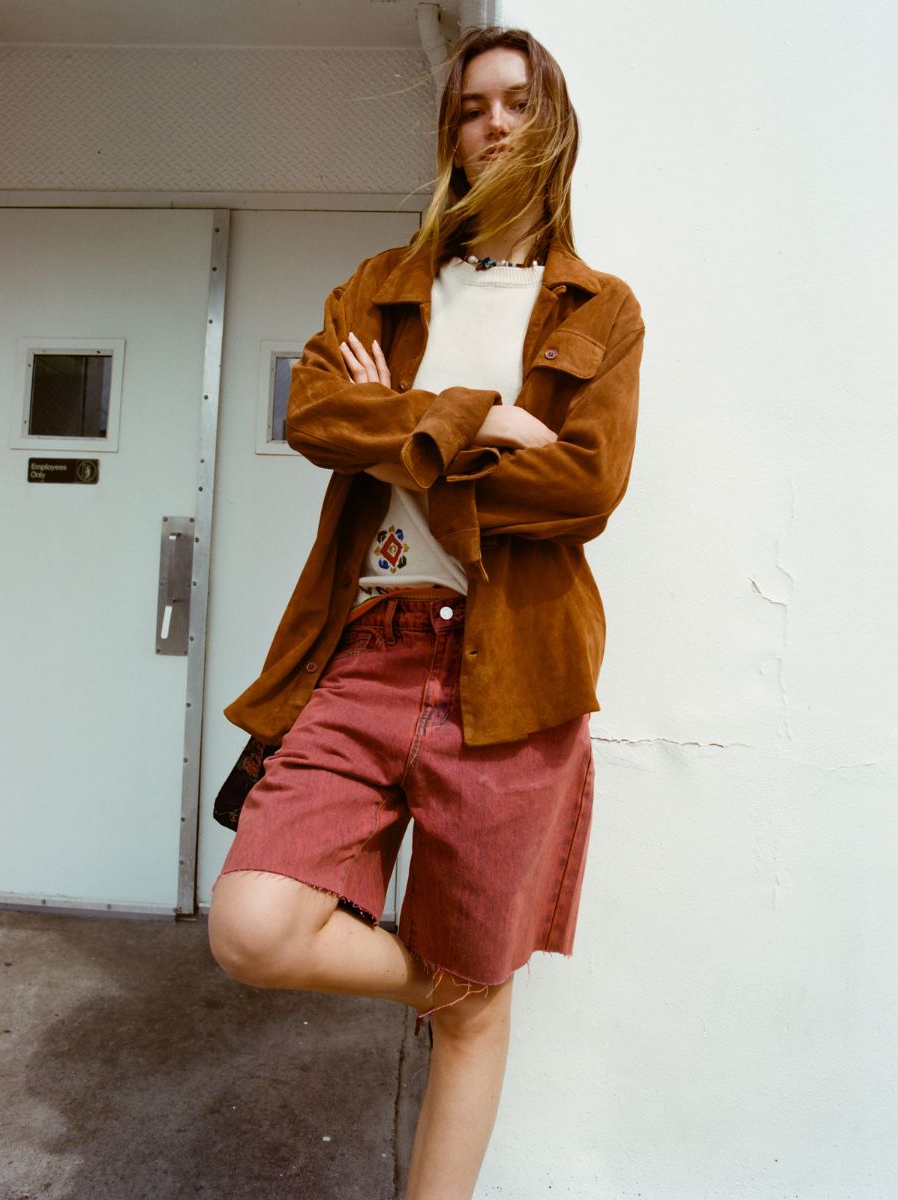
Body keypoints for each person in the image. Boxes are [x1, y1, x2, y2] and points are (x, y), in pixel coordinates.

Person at [208, 24, 644, 1200]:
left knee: (480, 1011)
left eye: (514, 104)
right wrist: (481, 417)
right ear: (448, 135)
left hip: (518, 670)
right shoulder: (384, 286)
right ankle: (450, 985)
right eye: (469, 108)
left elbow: (588, 487)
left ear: (549, 128)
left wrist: (403, 420)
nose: (491, 124)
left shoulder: (598, 309)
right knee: (252, 923)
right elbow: (313, 417)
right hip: (372, 647)